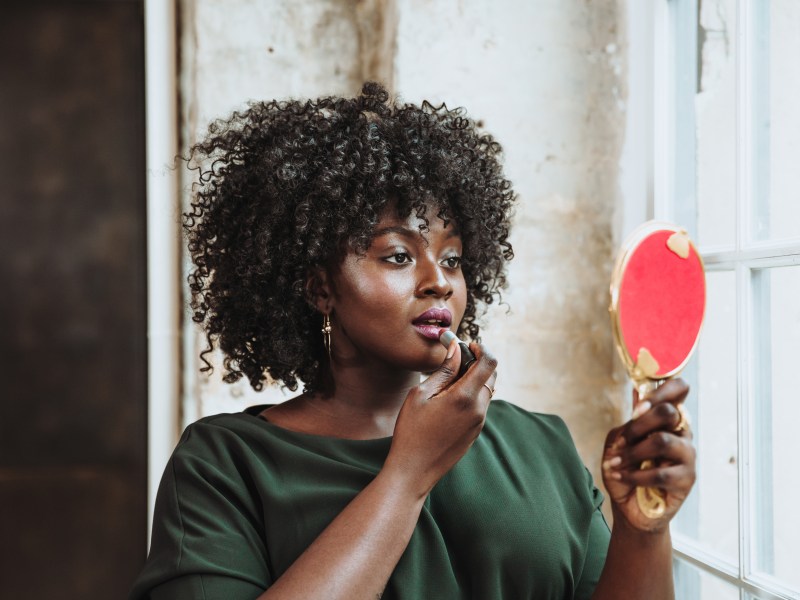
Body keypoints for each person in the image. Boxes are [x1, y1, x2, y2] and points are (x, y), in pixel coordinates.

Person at [130, 82, 696, 600]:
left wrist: (643, 530)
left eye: (452, 258)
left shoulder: (539, 445)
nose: (439, 281)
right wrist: (407, 476)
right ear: (319, 288)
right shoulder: (225, 466)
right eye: (398, 255)